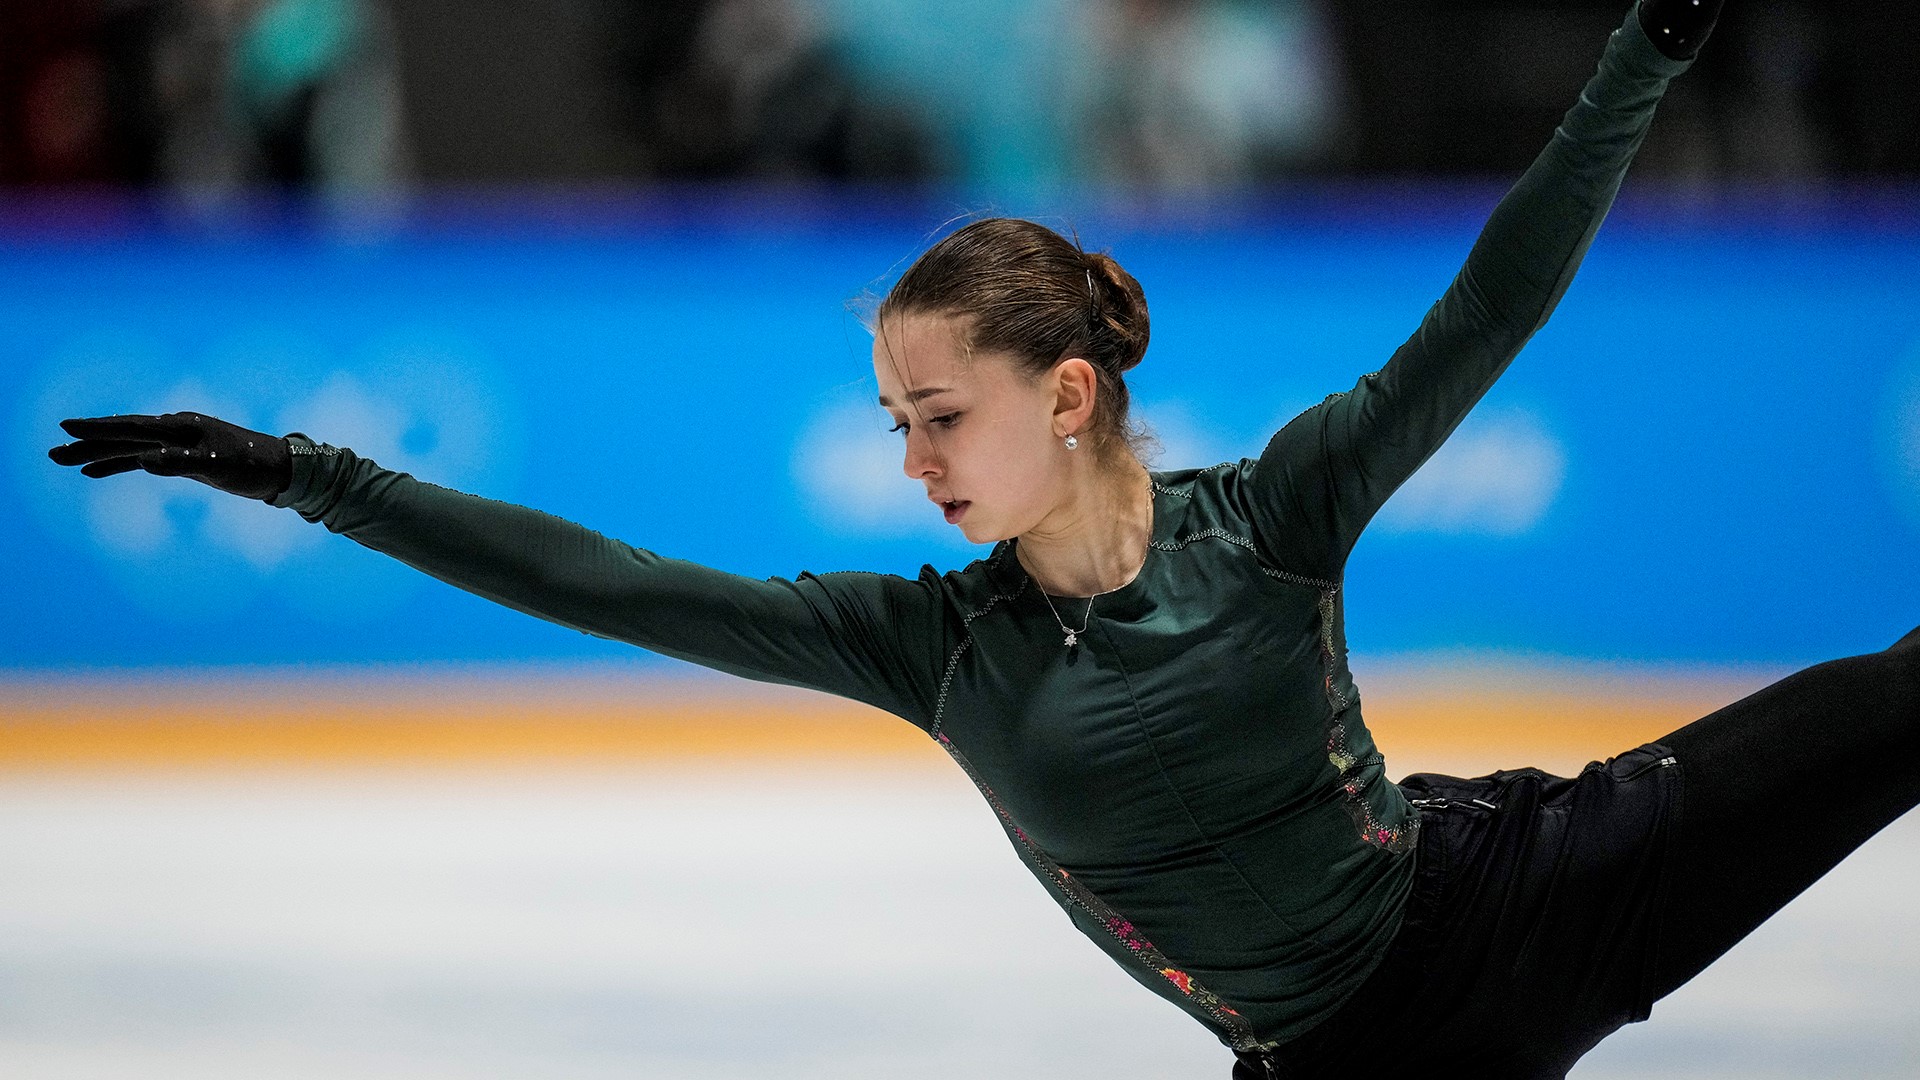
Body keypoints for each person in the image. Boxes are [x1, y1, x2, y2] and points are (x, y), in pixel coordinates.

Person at [46, 2, 1920, 1076]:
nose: (917, 460)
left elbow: (1491, 306)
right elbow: (608, 583)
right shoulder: (932, 648)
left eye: (942, 415)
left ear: (1068, 394)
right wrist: (302, 473)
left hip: (1529, 894)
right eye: (897, 423)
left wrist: (1644, 55)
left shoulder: (1276, 517)